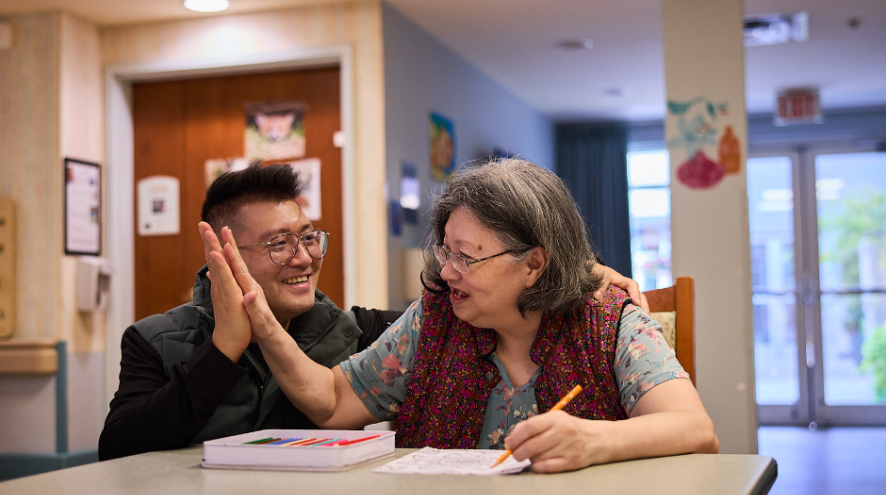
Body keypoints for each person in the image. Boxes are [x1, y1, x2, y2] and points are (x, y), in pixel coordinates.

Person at [204, 158, 719, 473]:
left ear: (533, 264)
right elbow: (334, 401)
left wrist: (591, 440)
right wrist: (261, 320)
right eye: (445, 251)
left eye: (466, 257)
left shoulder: (608, 323)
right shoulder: (435, 320)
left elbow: (695, 430)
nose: (447, 271)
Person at [99, 163, 641, 461]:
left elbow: (481, 297)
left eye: (308, 237)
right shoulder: (155, 340)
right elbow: (119, 450)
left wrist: (575, 269)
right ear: (224, 256)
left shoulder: (358, 330)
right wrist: (225, 348)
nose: (304, 256)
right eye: (280, 243)